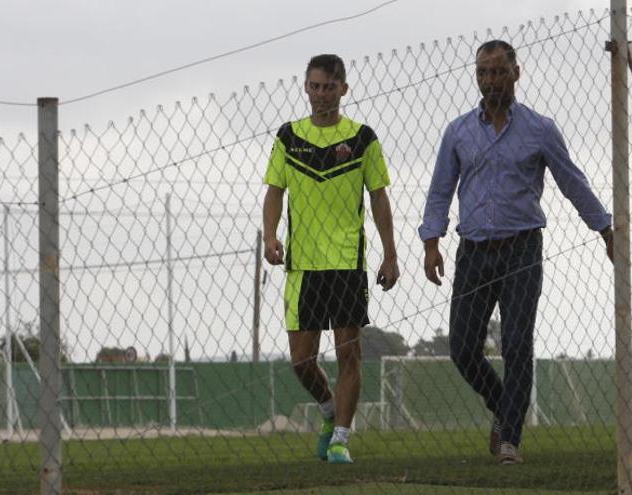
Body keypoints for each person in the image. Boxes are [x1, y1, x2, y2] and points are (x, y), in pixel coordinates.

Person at [418, 40, 613, 465]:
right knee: (462, 347)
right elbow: (440, 190)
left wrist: (604, 228)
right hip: (473, 251)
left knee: (517, 343)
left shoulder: (539, 129)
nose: (490, 81)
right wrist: (431, 242)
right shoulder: (458, 131)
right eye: (483, 73)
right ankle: (503, 404)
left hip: (522, 247)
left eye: (498, 72)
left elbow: (571, 181)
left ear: (516, 73)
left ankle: (510, 440)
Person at [262, 54, 400, 464]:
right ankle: (327, 410)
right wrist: (271, 236)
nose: (322, 94)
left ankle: (341, 437)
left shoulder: (362, 138)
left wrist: (390, 254)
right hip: (302, 266)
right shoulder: (289, 137)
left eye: (330, 86)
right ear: (306, 88)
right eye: (315, 86)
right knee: (301, 361)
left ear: (344, 89)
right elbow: (274, 191)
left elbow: (379, 197)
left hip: (346, 263)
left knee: (348, 355)